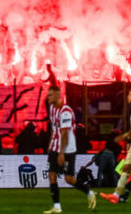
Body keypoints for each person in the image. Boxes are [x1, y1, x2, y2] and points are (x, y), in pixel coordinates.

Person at [43, 77, 77, 214]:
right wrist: (51, 144)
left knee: (69, 178)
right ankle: (57, 207)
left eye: (50, 94)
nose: (48, 97)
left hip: (67, 148)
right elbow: (54, 128)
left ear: (58, 95)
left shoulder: (65, 111)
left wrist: (62, 153)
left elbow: (64, 133)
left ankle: (88, 192)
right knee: (52, 175)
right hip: (55, 146)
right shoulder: (52, 108)